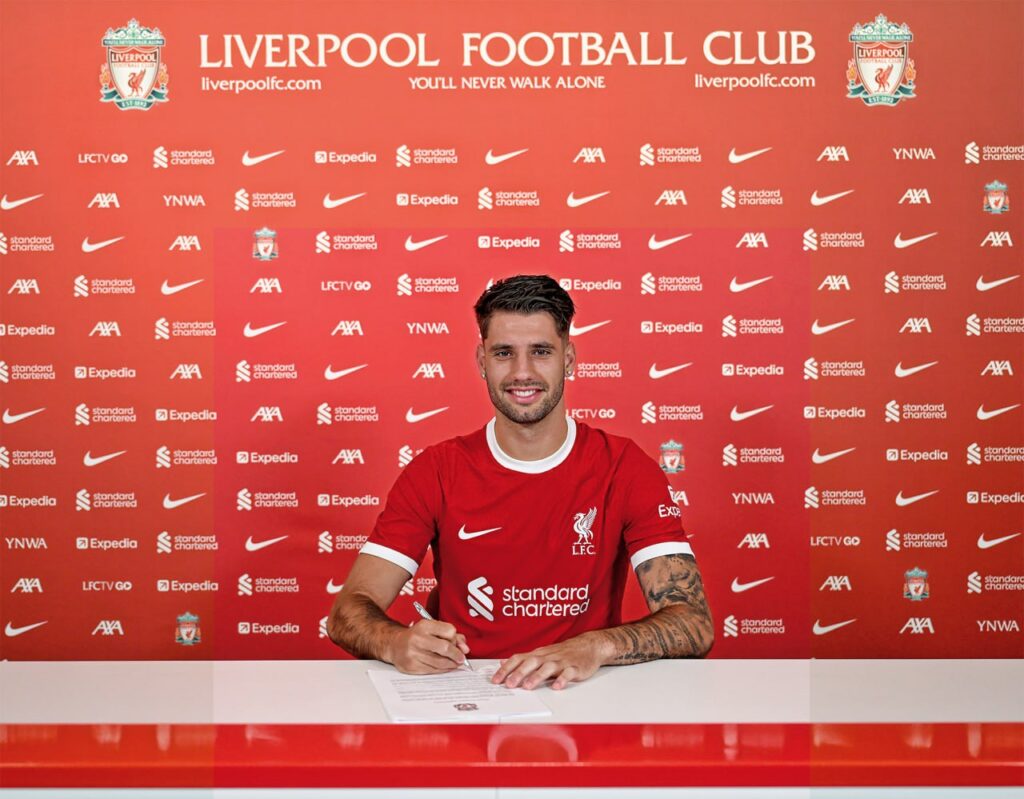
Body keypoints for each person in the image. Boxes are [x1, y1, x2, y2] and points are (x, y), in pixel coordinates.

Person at [327, 275, 713, 690]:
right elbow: (348, 610)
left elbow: (693, 621)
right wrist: (397, 643)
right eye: (504, 353)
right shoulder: (436, 469)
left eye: (541, 352)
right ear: (482, 362)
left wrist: (595, 647)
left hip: (582, 693)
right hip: (467, 693)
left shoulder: (624, 467)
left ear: (568, 358)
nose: (522, 372)